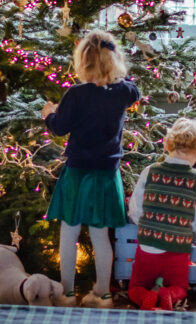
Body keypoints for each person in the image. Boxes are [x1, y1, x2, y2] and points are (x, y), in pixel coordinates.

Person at [41, 30, 140, 308]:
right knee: (100, 235)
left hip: (78, 172)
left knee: (69, 232)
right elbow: (134, 88)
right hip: (107, 174)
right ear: (115, 60)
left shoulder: (76, 94)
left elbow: (60, 128)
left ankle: (67, 293)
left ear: (82, 62)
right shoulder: (124, 91)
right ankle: (102, 293)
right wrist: (116, 73)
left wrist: (49, 114)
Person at [127, 117, 196, 311]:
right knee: (180, 287)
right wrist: (187, 228)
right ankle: (169, 294)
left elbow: (135, 210)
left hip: (148, 248)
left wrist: (147, 222)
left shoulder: (150, 171)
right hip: (178, 250)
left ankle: (145, 296)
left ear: (167, 144)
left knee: (135, 288)